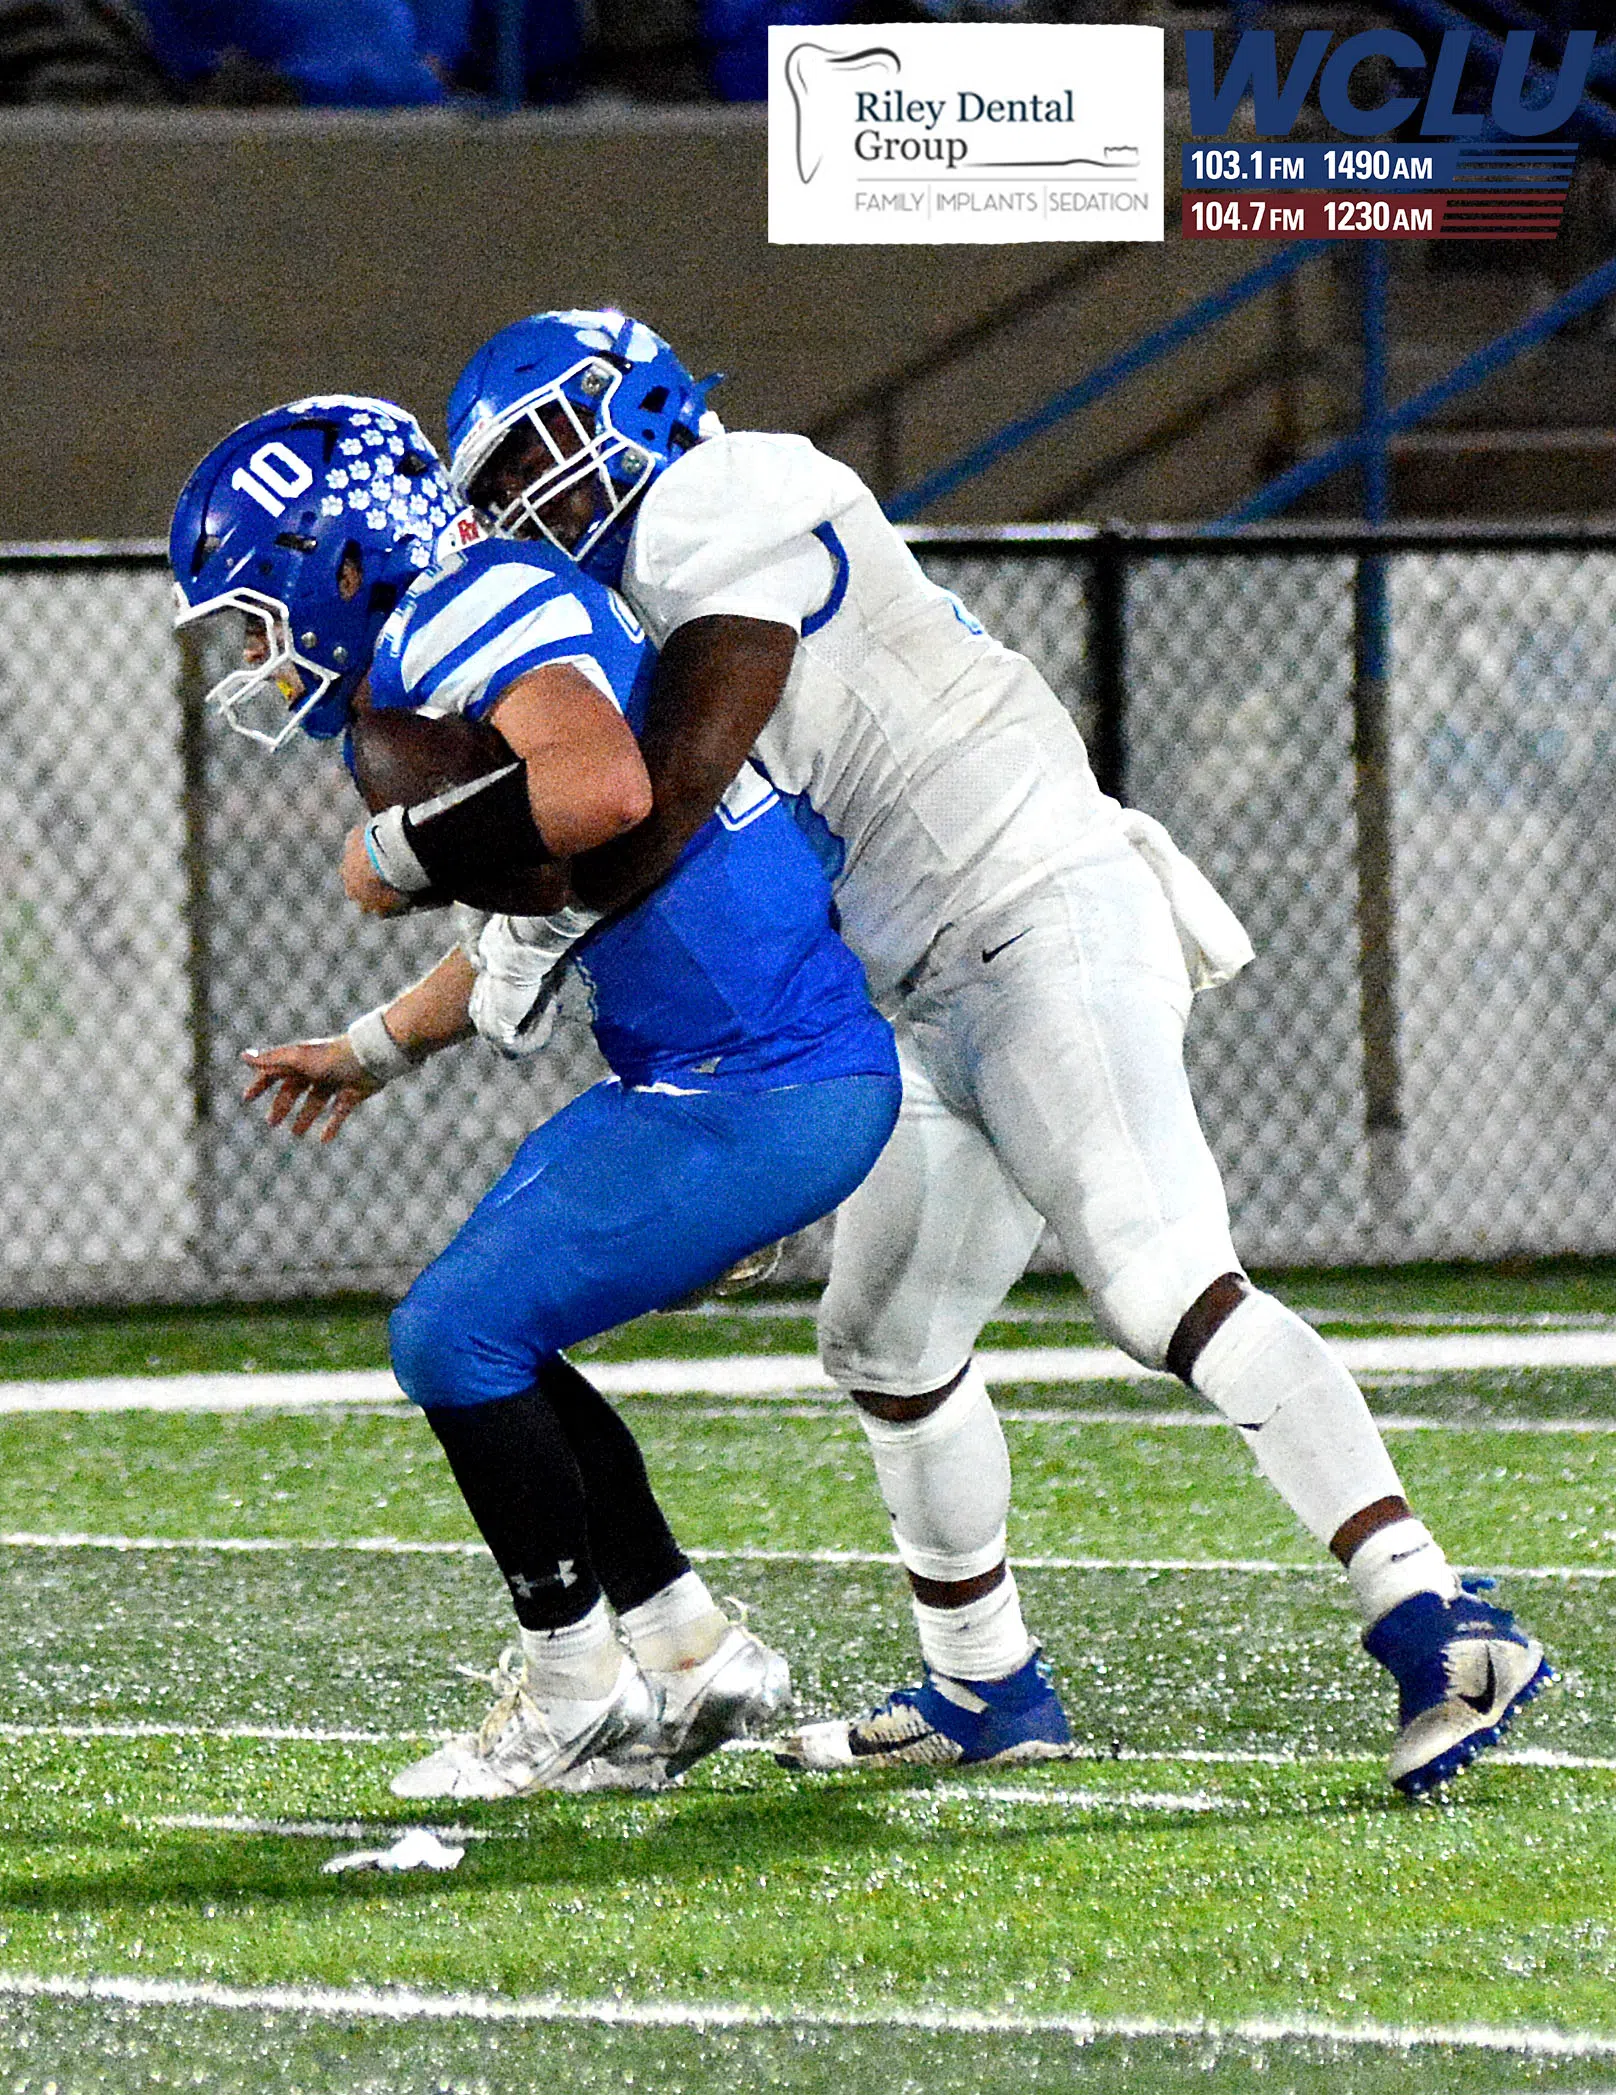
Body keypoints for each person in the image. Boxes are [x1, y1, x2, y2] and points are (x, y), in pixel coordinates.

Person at [427, 307, 1551, 1798]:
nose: (531, 504)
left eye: (542, 457)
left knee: (1157, 1279)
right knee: (886, 1341)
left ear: (631, 409)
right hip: (931, 980)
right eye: (503, 488)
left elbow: (673, 800)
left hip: (1035, 913)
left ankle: (1438, 1619)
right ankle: (986, 1683)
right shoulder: (633, 614)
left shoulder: (725, 492)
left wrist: (477, 873)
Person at [169, 392, 901, 1799]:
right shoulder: (479, 612)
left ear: (337, 561)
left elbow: (602, 792)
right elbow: (552, 905)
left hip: (760, 1084)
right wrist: (371, 1046)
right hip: (719, 1076)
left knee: (453, 1335)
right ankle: (688, 1650)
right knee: (497, 1338)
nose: (258, 660)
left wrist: (399, 847)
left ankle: (573, 1691)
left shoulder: (464, 605)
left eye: (257, 621)